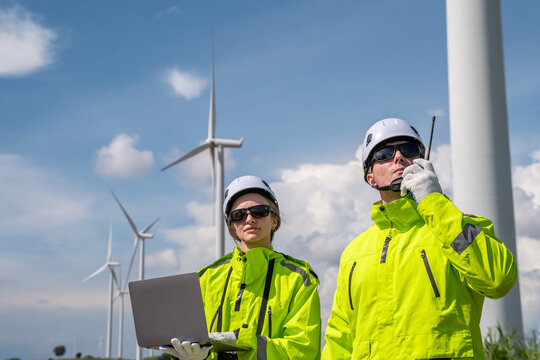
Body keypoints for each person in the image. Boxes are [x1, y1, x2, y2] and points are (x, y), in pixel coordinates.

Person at [322, 118, 517, 359]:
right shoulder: (354, 253)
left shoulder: (464, 226)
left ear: (424, 161)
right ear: (370, 177)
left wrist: (434, 201)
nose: (399, 157)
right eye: (383, 153)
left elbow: (497, 279)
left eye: (409, 150)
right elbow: (340, 336)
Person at [161, 175, 321, 360]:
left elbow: (303, 350)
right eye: (239, 215)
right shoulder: (205, 279)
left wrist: (242, 343)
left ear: (274, 220)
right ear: (232, 227)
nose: (250, 219)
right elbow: (186, 342)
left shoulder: (299, 279)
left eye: (259, 211)